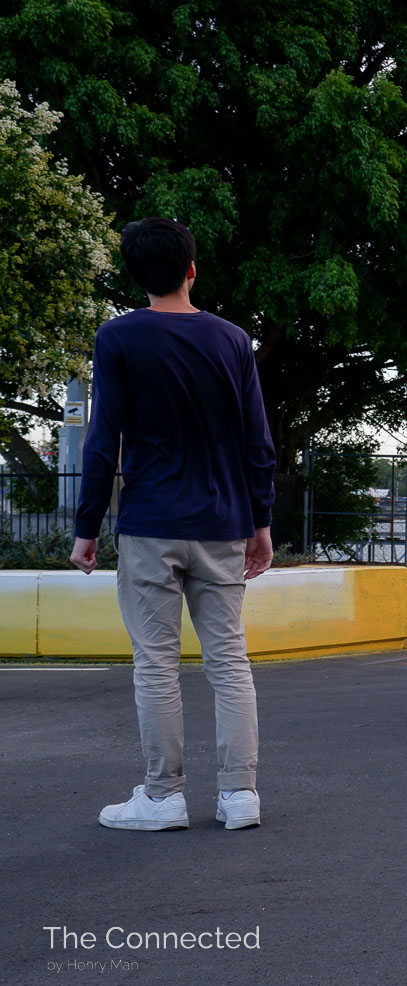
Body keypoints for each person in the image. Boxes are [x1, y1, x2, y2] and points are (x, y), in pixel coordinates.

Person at [71, 218, 276, 831]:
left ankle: (163, 799)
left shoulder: (119, 338)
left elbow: (102, 442)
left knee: (155, 664)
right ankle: (240, 796)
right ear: (193, 269)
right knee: (230, 662)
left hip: (151, 523)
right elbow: (256, 443)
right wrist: (261, 523)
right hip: (222, 523)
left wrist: (86, 529)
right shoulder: (233, 340)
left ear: (136, 276)